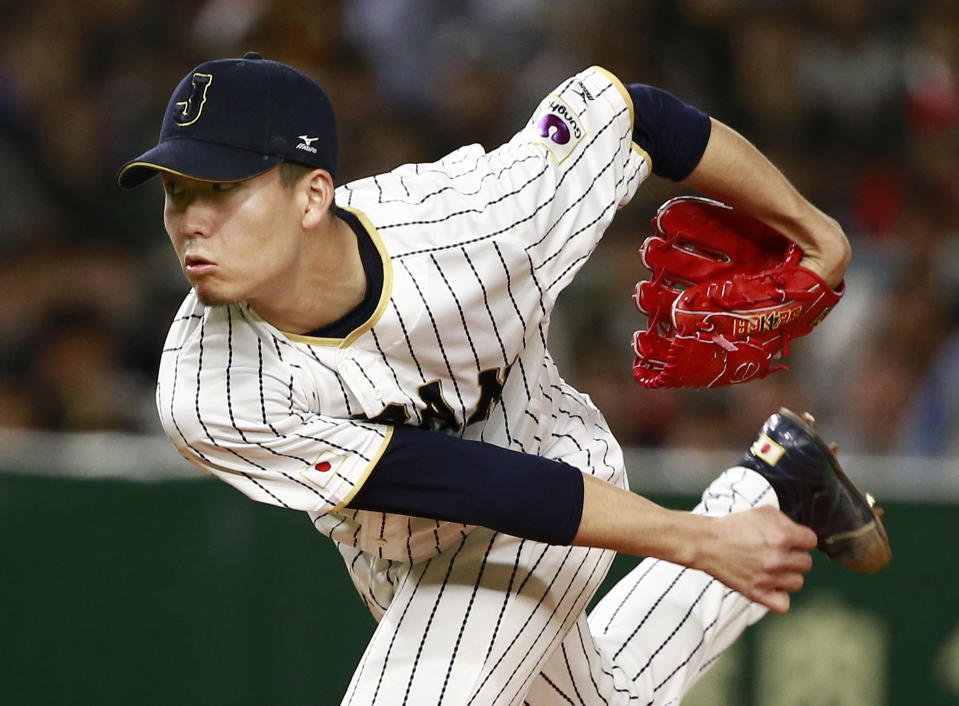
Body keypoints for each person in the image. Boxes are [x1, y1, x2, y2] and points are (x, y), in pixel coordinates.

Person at [118, 53, 878, 705]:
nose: (191, 219)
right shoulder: (207, 388)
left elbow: (633, 115)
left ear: (312, 195)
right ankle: (775, 486)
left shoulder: (475, 223)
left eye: (221, 188)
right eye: (176, 191)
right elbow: (448, 478)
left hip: (551, 471)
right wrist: (705, 538)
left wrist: (817, 234)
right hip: (404, 557)